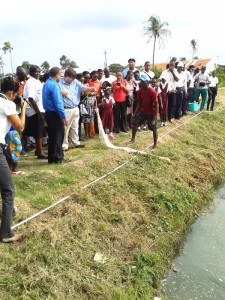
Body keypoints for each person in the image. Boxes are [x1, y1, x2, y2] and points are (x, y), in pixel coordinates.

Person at [0, 77, 27, 242]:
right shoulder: (7, 104)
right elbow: (20, 127)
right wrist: (22, 108)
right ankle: (6, 234)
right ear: (10, 92)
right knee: (8, 191)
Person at [59, 68, 94, 150]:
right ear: (66, 76)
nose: (72, 80)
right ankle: (64, 144)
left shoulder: (75, 82)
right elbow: (56, 91)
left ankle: (76, 142)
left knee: (75, 126)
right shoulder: (59, 82)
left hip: (75, 107)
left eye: (73, 78)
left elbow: (83, 88)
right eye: (71, 78)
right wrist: (61, 91)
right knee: (65, 127)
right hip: (66, 108)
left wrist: (90, 88)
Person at [42, 67, 69, 164]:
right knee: (58, 136)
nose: (61, 76)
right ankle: (58, 158)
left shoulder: (46, 84)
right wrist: (64, 116)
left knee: (52, 136)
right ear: (56, 74)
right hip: (54, 113)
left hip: (48, 113)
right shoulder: (54, 85)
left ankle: (52, 157)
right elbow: (58, 102)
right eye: (60, 74)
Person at [129, 74, 158, 148]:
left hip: (151, 112)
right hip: (144, 110)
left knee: (153, 128)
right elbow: (139, 103)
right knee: (135, 122)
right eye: (141, 81)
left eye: (143, 82)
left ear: (147, 82)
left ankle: (155, 144)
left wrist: (154, 119)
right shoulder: (140, 91)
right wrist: (134, 113)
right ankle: (132, 139)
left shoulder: (152, 92)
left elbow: (156, 105)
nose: (141, 83)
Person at [23, 65, 47, 159]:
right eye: (36, 71)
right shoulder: (30, 83)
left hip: (40, 109)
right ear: (31, 72)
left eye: (39, 71)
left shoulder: (37, 81)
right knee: (38, 132)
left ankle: (38, 150)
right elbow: (31, 99)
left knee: (40, 131)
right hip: (34, 111)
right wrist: (38, 114)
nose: (38, 73)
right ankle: (40, 153)